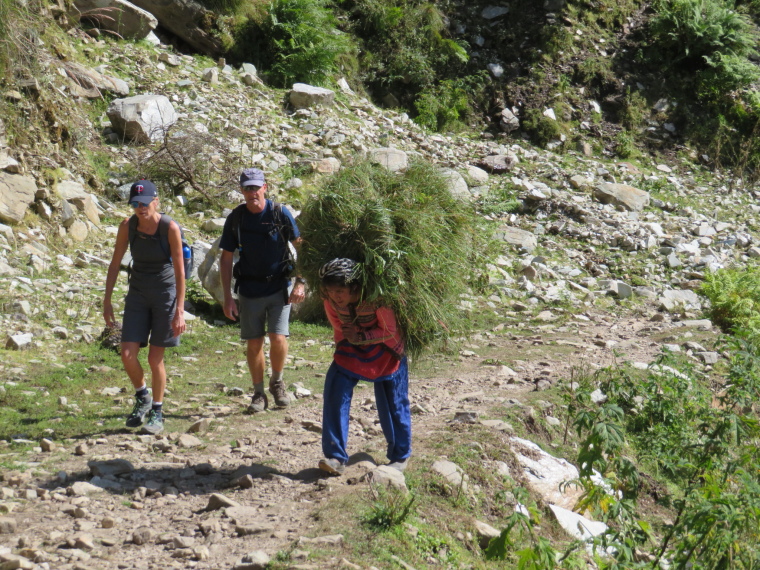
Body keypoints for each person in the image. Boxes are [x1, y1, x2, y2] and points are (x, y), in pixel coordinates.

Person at [103, 180, 186, 435]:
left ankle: (157, 412)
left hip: (164, 294)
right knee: (127, 354)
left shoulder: (169, 227)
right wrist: (107, 300)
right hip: (138, 293)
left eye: (145, 202)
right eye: (135, 203)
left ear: (156, 201)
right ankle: (142, 397)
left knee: (154, 358)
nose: (140, 208)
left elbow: (180, 270)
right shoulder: (127, 227)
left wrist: (179, 310)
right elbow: (116, 263)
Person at [219, 168, 305, 413]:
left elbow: (302, 247)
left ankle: (277, 382)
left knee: (278, 337)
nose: (252, 192)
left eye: (256, 187)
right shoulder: (236, 218)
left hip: (278, 287)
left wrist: (301, 282)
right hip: (248, 289)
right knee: (254, 343)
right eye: (247, 188)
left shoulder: (280, 213)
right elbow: (225, 259)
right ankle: (258, 393)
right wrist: (227, 298)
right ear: (241, 190)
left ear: (264, 187)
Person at [317, 258, 412, 476]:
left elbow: (389, 330)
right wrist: (345, 345)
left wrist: (362, 335)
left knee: (393, 402)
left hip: (388, 348)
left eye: (340, 291)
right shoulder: (330, 302)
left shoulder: (378, 299)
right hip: (351, 346)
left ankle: (400, 455)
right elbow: (339, 327)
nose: (335, 296)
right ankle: (335, 456)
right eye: (331, 291)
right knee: (335, 391)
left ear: (355, 288)